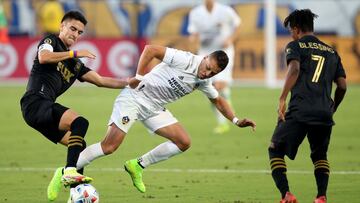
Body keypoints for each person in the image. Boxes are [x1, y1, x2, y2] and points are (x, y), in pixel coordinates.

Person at [75, 44, 256, 193]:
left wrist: (235, 120)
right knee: (109, 146)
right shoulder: (185, 59)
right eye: (208, 68)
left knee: (183, 142)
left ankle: (137, 165)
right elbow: (150, 50)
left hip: (154, 109)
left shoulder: (203, 81)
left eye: (213, 73)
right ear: (205, 57)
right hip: (135, 98)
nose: (207, 74)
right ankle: (67, 170)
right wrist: (138, 76)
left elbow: (218, 100)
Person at [20, 10, 128, 201]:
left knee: (79, 146)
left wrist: (129, 82)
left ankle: (73, 191)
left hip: (42, 110)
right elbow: (44, 57)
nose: (75, 34)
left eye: (79, 32)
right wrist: (75, 53)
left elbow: (101, 80)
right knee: (80, 123)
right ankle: (68, 171)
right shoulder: (51, 41)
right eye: (72, 28)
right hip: (35, 102)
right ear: (62, 26)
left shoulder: (76, 65)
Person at [268, 9, 347, 203]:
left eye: (290, 31)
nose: (291, 35)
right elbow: (343, 86)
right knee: (319, 154)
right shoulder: (332, 51)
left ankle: (286, 195)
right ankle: (321, 196)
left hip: (300, 109)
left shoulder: (295, 45)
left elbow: (294, 69)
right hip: (324, 113)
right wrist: (333, 106)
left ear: (296, 29)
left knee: (275, 148)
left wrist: (282, 98)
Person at [187, 0, 241, 134]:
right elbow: (193, 33)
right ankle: (224, 121)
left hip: (224, 53)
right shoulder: (196, 13)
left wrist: (231, 39)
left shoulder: (225, 10)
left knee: (218, 86)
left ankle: (227, 118)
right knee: (211, 88)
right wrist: (193, 40)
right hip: (206, 54)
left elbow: (238, 25)